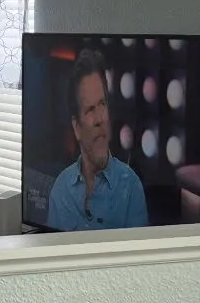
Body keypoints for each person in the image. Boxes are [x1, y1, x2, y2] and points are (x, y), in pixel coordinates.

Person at [45, 49, 148, 230]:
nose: (100, 118)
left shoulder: (131, 188)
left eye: (102, 104)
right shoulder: (61, 191)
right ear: (77, 127)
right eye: (90, 109)